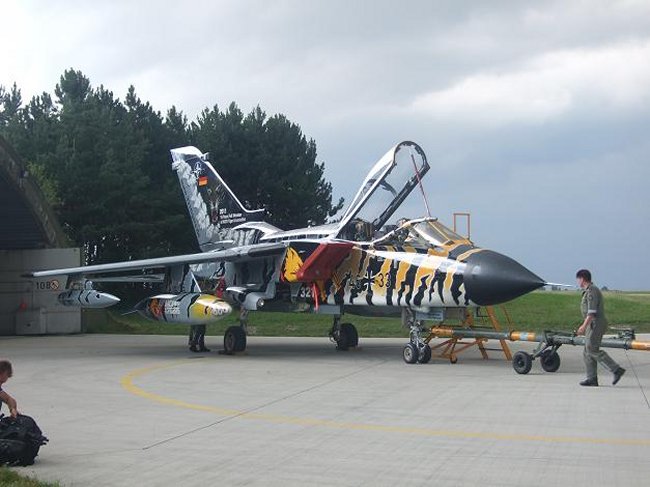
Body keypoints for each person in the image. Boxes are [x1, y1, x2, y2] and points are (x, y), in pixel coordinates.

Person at [575, 269, 625, 387]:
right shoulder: (588, 291)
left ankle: (616, 369)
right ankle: (592, 378)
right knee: (587, 351)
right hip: (592, 324)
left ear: (582, 279)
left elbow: (592, 312)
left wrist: (583, 326)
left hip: (595, 324)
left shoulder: (592, 291)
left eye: (578, 279)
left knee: (592, 349)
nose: (577, 282)